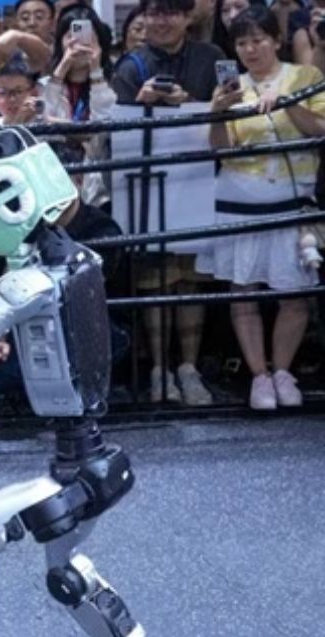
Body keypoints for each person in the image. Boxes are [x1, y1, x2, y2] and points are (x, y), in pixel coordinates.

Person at [206, 5, 325, 409]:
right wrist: (217, 113)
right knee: (243, 290)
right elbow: (220, 149)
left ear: (276, 40)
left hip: (293, 194)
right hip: (239, 194)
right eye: (242, 42)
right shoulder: (231, 86)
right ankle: (259, 376)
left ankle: (284, 372)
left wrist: (288, 102)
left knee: (295, 290)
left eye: (258, 40)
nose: (250, 49)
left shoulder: (305, 77)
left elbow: (319, 129)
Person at [112, 0, 223, 406]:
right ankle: (160, 369)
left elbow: (228, 105)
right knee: (155, 278)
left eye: (172, 12)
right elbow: (115, 123)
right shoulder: (130, 66)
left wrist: (187, 100)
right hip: (146, 182)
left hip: (199, 178)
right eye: (155, 13)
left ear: (188, 17)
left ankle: (189, 368)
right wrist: (143, 102)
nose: (162, 21)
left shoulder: (211, 57)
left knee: (192, 277)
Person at [43, 6, 115, 208]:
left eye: (88, 38)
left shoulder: (111, 84)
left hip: (99, 191)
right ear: (60, 42)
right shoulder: (46, 84)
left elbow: (104, 128)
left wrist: (95, 69)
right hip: (55, 188)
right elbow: (43, 124)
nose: (79, 44)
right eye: (70, 37)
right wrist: (63, 66)